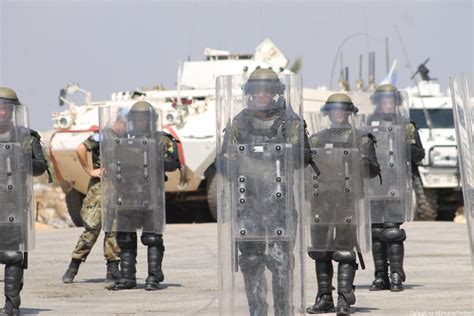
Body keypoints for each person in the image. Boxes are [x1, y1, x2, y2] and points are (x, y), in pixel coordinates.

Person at [217, 68, 311, 315]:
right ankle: (257, 311)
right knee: (250, 261)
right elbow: (223, 162)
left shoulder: (291, 122)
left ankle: (283, 311)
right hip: (247, 202)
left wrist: (283, 151)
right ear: (249, 93)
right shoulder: (238, 123)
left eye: (267, 90)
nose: (262, 95)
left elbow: (303, 158)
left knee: (281, 263)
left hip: (279, 203)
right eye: (257, 91)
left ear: (276, 93)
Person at [306, 93, 380, 316]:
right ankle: (325, 297)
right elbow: (305, 173)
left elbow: (374, 171)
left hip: (347, 201)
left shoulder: (361, 139)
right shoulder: (316, 140)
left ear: (349, 113)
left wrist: (364, 161)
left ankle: (344, 298)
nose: (338, 113)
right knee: (321, 251)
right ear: (327, 113)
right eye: (334, 110)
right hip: (321, 201)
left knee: (346, 251)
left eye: (342, 109)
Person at [105, 101, 181, 291]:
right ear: (131, 121)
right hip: (127, 196)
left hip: (152, 197)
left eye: (144, 120)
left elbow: (174, 163)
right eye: (137, 120)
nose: (140, 123)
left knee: (152, 238)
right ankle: (127, 277)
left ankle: (154, 277)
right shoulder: (122, 142)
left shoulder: (162, 140)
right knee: (125, 238)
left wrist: (155, 155)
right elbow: (110, 163)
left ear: (151, 121)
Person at [367, 84, 425, 292]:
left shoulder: (406, 125)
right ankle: (381, 275)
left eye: (390, 100)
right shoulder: (368, 124)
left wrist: (407, 147)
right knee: (375, 232)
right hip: (374, 185)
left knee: (392, 232)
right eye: (382, 101)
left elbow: (419, 155)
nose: (386, 104)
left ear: (396, 103)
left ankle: (396, 273)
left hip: (396, 184)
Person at [0, 87, 50, 315]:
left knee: (13, 255)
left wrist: (23, 160)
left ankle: (12, 304)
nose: (2, 113)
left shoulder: (27, 137)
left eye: (6, 109)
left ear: (13, 111)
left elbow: (41, 167)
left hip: (14, 204)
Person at [61, 117, 126, 284]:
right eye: (122, 123)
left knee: (114, 228)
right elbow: (80, 149)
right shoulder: (102, 136)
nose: (124, 126)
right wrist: (90, 171)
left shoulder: (126, 138)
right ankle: (74, 265)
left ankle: (112, 268)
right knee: (92, 227)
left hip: (118, 187)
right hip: (100, 187)